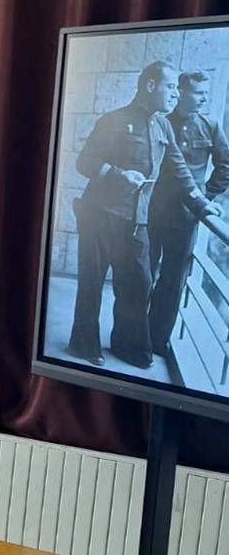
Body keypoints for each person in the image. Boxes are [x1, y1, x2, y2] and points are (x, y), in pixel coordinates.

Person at [67, 61, 219, 368]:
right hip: (100, 215)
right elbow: (85, 162)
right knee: (92, 283)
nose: (176, 94)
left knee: (139, 283)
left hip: (136, 220)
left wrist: (202, 203)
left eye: (177, 88)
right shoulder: (114, 120)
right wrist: (118, 175)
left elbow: (179, 169)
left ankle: (128, 346)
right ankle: (83, 345)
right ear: (150, 85)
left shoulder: (162, 125)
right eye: (171, 87)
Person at [147, 70, 229, 354]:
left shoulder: (210, 126)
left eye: (206, 93)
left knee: (172, 280)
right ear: (180, 92)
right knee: (142, 275)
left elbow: (225, 166)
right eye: (198, 92)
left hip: (185, 217)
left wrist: (205, 198)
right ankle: (136, 336)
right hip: (153, 212)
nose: (204, 98)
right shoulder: (160, 122)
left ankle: (157, 341)